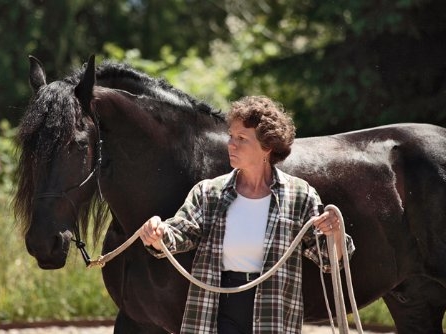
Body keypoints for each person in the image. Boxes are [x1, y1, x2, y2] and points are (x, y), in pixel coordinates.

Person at [140, 95, 355, 334]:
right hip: (216, 307)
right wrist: (158, 234)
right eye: (231, 136)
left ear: (267, 146)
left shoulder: (300, 195)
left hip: (273, 311)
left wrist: (335, 233)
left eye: (242, 139)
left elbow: (330, 259)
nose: (231, 144)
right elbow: (179, 233)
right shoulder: (209, 192)